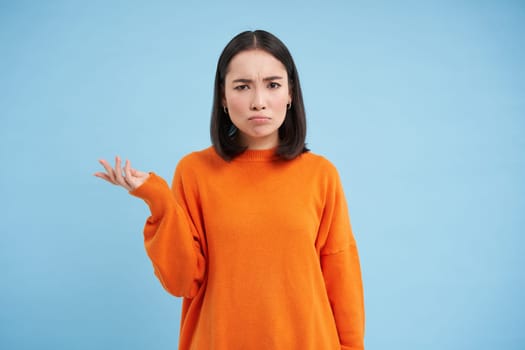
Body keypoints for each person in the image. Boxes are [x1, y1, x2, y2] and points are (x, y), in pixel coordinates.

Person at [94, 30, 365, 350]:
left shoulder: (321, 174)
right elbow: (182, 280)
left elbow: (341, 277)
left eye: (273, 85)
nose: (258, 101)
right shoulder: (194, 171)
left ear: (290, 93)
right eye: (242, 86)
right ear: (223, 97)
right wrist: (159, 200)